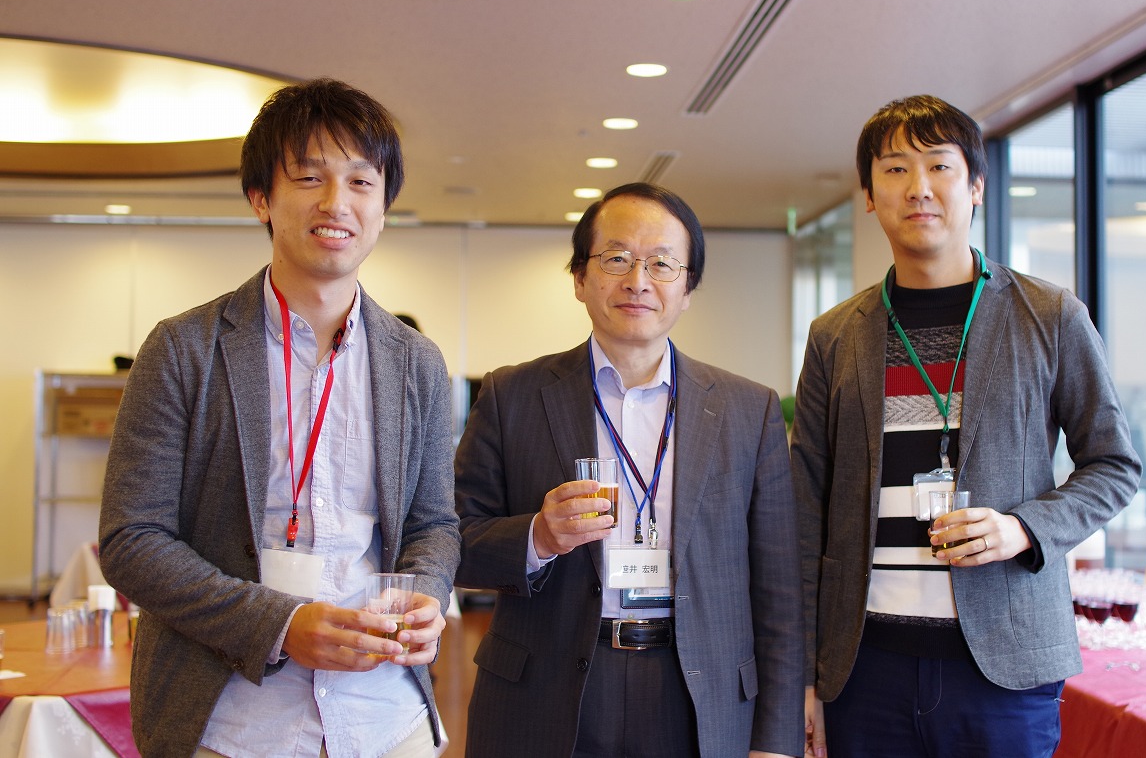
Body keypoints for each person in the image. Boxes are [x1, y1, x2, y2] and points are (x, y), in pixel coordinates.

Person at [98, 78, 460, 758]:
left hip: (384, 717)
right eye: (309, 177)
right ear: (261, 198)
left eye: (361, 181)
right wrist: (280, 624)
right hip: (230, 719)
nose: (337, 202)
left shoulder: (417, 362)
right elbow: (131, 538)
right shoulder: (184, 348)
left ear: (383, 206)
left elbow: (433, 523)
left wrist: (426, 593)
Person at [790, 95, 1141, 758]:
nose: (918, 187)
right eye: (895, 169)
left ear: (975, 184)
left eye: (939, 166)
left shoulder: (1049, 315)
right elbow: (805, 508)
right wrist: (805, 675)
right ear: (869, 195)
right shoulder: (834, 335)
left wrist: (1024, 527)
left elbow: (1114, 465)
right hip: (863, 669)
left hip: (1004, 669)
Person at [454, 182, 805, 758]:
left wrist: (776, 741)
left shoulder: (749, 409)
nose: (638, 280)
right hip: (545, 690)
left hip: (699, 694)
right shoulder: (510, 395)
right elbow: (455, 541)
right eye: (616, 258)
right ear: (579, 278)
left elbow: (779, 590)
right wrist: (538, 537)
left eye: (662, 263)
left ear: (687, 288)